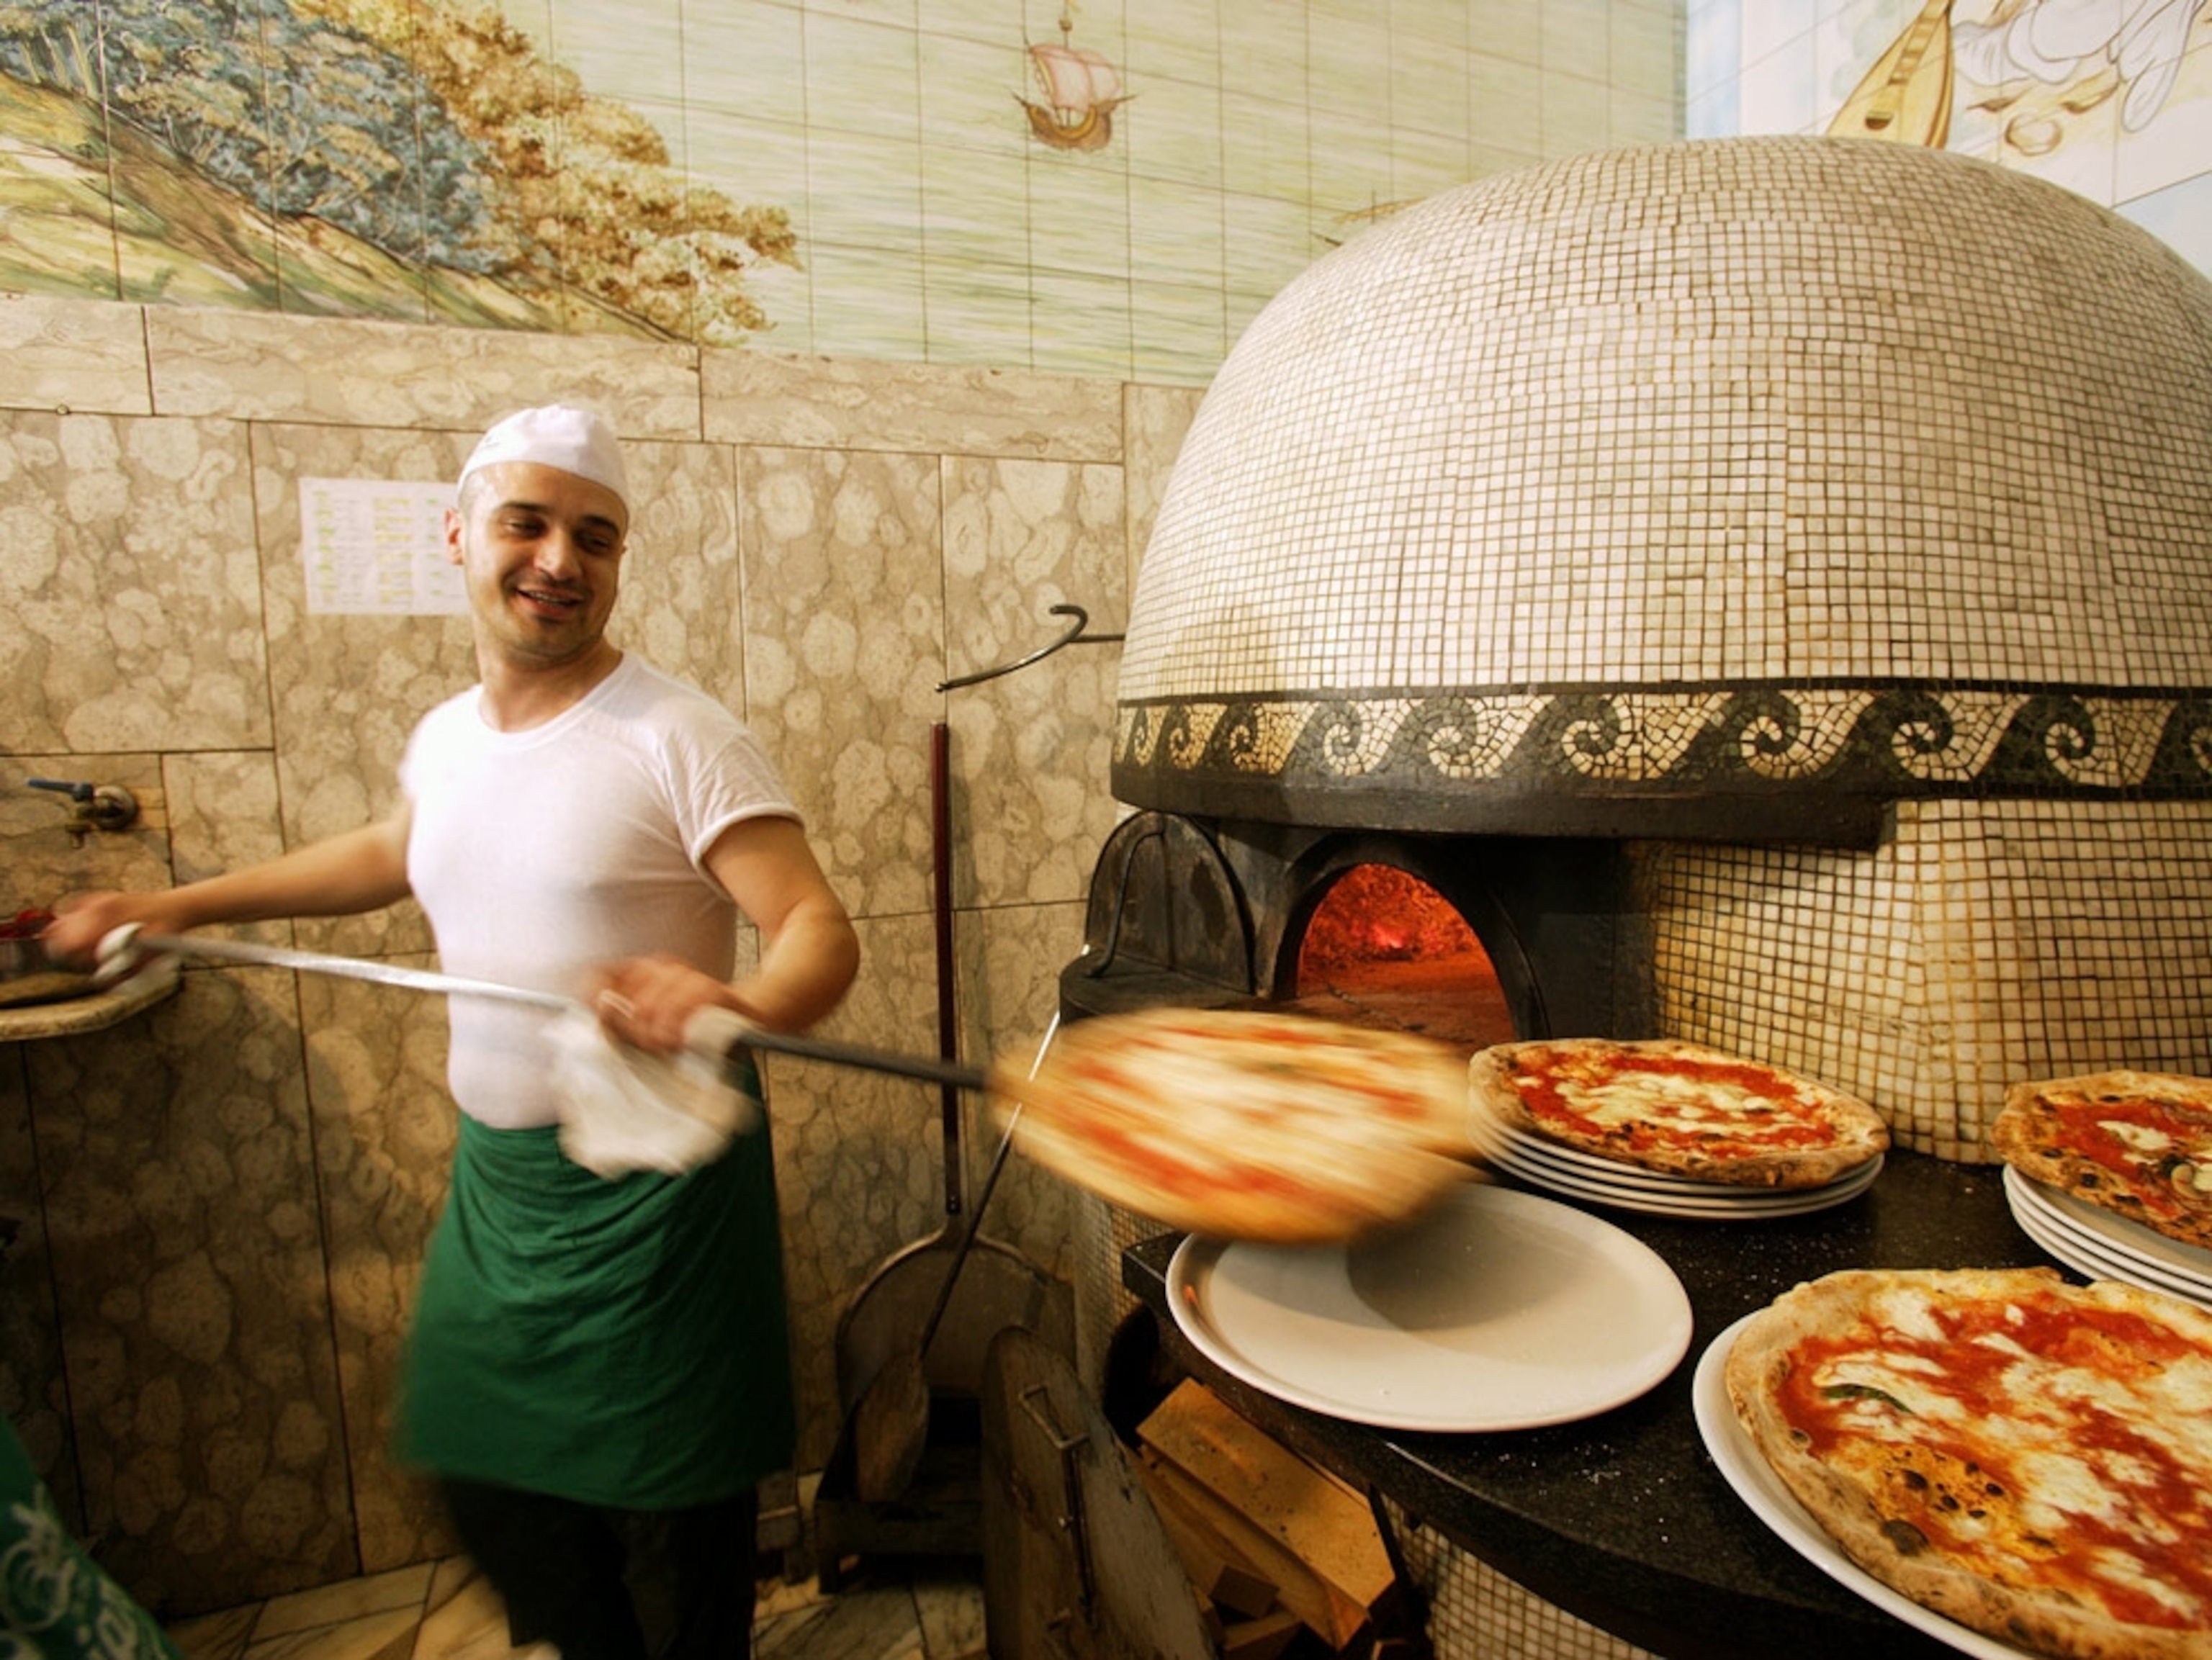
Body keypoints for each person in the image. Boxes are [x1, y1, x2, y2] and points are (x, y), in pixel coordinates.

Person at [45, 405, 860, 1660]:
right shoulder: (446, 737)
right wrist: (174, 905)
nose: (558, 559)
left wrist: (737, 1001)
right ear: (461, 535)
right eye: (527, 523)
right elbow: (392, 853)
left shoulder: (675, 734)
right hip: (503, 1187)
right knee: (485, 1469)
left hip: (654, 1192)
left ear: (619, 561)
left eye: (595, 535)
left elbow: (814, 923)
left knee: (668, 1515)